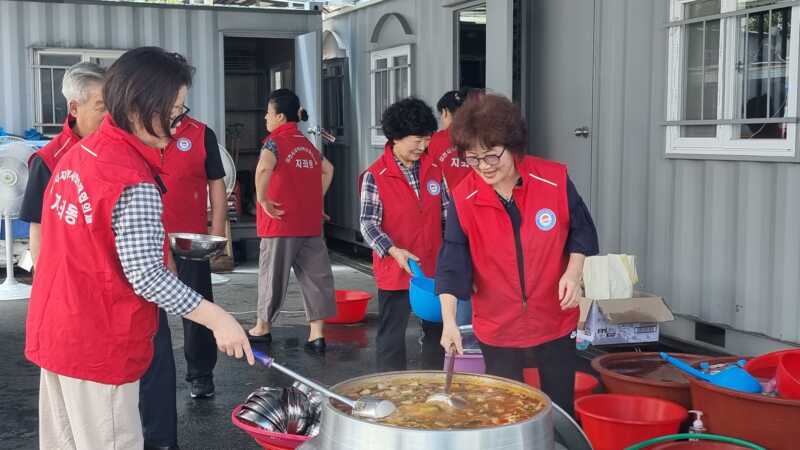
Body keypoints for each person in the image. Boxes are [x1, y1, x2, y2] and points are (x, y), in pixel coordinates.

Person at [24, 47, 253, 450]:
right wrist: (216, 318)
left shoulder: (77, 155)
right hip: (99, 344)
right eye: (174, 110)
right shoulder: (131, 177)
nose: (179, 123)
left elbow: (90, 241)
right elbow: (146, 275)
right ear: (139, 105)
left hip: (58, 333)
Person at [436, 93, 598, 417]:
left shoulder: (552, 180)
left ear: (512, 146)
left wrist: (573, 272)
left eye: (492, 156)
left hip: (553, 316)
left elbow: (582, 230)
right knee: (505, 411)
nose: (484, 167)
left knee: (559, 410)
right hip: (498, 324)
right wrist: (449, 321)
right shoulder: (463, 197)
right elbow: (453, 259)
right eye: (473, 159)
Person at [138, 94, 228, 449]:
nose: (178, 109)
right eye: (173, 101)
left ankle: (201, 375)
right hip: (146, 241)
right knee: (149, 318)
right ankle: (145, 382)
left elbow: (217, 185)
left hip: (189, 241)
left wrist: (217, 234)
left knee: (199, 309)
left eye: (182, 103)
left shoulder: (201, 133)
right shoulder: (140, 132)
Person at [248, 88, 336, 353]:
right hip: (309, 224)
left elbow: (264, 167)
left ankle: (262, 328)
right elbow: (328, 169)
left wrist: (262, 200)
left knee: (272, 276)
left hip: (281, 223)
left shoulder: (274, 142)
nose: (266, 117)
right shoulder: (307, 145)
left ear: (280, 116)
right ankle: (317, 334)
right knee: (316, 277)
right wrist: (315, 200)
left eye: (268, 113)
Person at [359, 97, 445, 372]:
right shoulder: (376, 175)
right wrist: (393, 250)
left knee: (437, 332)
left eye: (427, 139)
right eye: (417, 139)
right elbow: (368, 224)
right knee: (391, 335)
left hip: (433, 268)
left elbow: (448, 216)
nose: (424, 146)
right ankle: (390, 393)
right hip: (396, 268)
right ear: (395, 137)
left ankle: (434, 389)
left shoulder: (434, 169)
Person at [20, 62, 106, 265]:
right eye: (102, 107)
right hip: (70, 272)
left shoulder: (120, 150)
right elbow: (38, 226)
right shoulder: (49, 160)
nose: (110, 116)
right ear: (74, 108)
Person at [429, 88, 475, 190]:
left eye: (440, 114)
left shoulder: (434, 141)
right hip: (478, 200)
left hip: (447, 202)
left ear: (445, 112)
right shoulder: (481, 137)